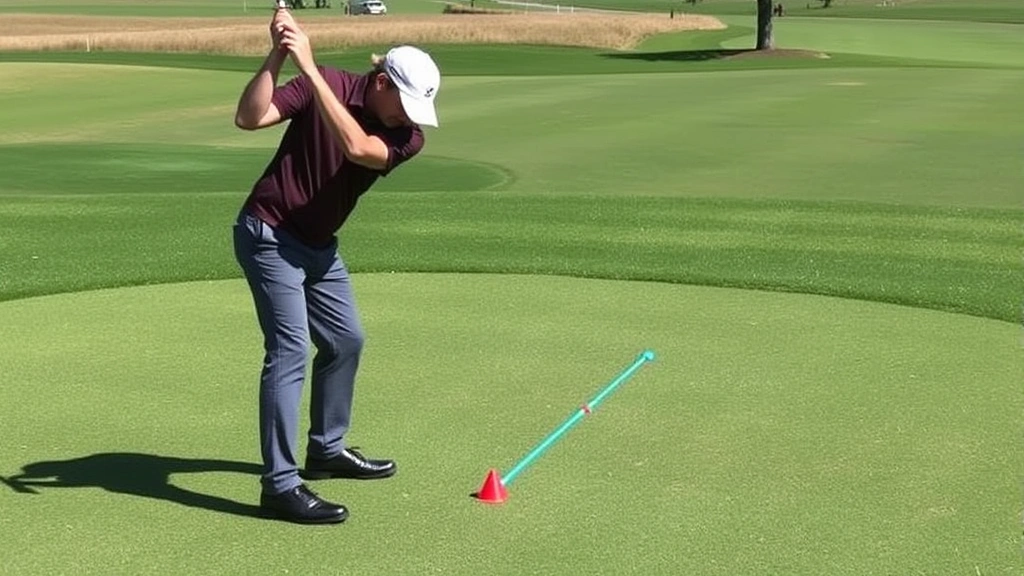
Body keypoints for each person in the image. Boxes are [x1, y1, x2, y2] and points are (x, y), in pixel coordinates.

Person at [231, 5, 440, 524]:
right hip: (269, 235)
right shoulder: (323, 80)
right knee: (289, 350)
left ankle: (325, 450)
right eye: (405, 103)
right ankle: (279, 485)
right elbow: (249, 118)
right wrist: (279, 55)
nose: (409, 117)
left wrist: (309, 70)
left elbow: (356, 146)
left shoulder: (406, 137)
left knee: (347, 340)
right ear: (382, 82)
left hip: (319, 247)